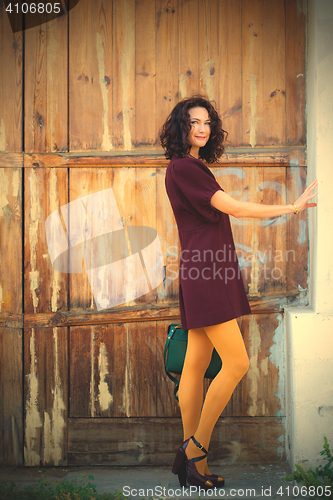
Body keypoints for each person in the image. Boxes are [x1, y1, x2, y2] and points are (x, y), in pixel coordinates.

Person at [160, 95, 318, 490]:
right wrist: (291, 208)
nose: (201, 127)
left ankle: (194, 468)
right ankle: (194, 448)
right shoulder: (186, 168)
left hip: (202, 268)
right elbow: (235, 208)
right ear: (181, 128)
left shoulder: (185, 168)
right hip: (207, 273)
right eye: (193, 122)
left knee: (195, 365)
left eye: (207, 122)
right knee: (237, 363)